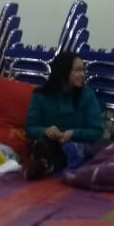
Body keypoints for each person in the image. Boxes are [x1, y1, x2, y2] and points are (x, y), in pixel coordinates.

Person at [24, 50, 103, 180]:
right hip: (49, 141)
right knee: (46, 143)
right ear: (63, 71)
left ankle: (45, 166)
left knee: (71, 149)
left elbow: (96, 131)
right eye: (77, 70)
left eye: (83, 70)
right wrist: (46, 131)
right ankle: (45, 165)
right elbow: (30, 128)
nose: (82, 75)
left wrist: (73, 133)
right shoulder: (40, 96)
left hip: (77, 143)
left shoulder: (87, 95)